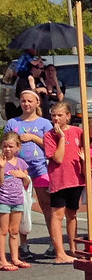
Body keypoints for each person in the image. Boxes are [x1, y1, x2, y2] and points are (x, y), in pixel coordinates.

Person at [3, 89, 53, 258]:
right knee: (21, 206)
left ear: (37, 103)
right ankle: (23, 245)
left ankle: (54, 242)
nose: (26, 104)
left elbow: (52, 147)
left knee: (46, 204)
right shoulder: (12, 123)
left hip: (40, 168)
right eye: (23, 101)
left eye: (30, 101)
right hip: (17, 170)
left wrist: (33, 137)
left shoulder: (45, 124)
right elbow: (6, 147)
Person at [43, 101, 85, 264]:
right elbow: (58, 158)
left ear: (68, 116)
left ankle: (73, 249)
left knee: (72, 214)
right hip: (59, 180)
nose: (56, 119)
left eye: (59, 115)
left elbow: (83, 152)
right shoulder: (49, 135)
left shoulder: (77, 131)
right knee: (57, 214)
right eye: (53, 115)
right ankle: (59, 252)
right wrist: (61, 137)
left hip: (76, 178)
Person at [0, 131, 32, 270]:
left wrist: (22, 176)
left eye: (11, 146)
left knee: (14, 231)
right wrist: (1, 168)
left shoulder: (21, 163)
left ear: (18, 147)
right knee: (3, 231)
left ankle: (15, 258)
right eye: (5, 146)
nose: (7, 149)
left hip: (17, 201)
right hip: (3, 201)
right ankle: (3, 260)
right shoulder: (1, 161)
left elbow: (26, 184)